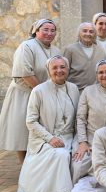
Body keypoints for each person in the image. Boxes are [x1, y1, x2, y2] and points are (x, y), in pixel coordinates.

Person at [17, 55, 79, 192]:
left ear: (68, 69)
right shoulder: (38, 91)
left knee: (81, 156)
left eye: (62, 67)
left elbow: (78, 118)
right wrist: (50, 138)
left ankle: (77, 190)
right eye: (55, 68)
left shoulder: (74, 88)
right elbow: (31, 121)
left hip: (69, 136)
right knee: (62, 154)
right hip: (45, 139)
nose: (59, 70)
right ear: (48, 71)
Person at [0, 19, 61, 163]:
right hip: (24, 94)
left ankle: (39, 164)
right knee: (23, 132)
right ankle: (24, 167)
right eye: (45, 30)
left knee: (43, 130)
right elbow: (26, 73)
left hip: (45, 94)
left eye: (53, 30)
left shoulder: (56, 50)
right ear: (36, 31)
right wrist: (43, 92)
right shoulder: (26, 46)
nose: (49, 33)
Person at [63, 22, 106, 93]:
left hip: (95, 92)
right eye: (84, 31)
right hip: (75, 92)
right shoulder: (70, 50)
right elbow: (64, 72)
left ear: (95, 34)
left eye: (91, 31)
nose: (88, 34)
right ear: (79, 33)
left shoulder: (100, 51)